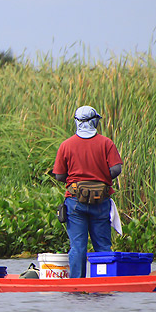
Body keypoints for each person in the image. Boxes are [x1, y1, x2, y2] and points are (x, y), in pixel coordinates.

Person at [53, 106, 123, 278]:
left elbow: (59, 175)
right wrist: (101, 178)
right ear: (95, 121)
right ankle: (105, 280)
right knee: (103, 246)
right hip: (101, 201)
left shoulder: (66, 145)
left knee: (78, 247)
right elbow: (116, 169)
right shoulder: (106, 143)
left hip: (75, 201)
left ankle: (77, 283)